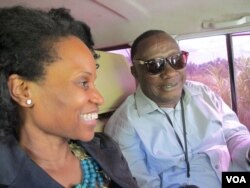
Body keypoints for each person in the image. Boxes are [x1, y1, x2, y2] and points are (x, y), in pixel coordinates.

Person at [0, 6, 138, 188]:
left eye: (93, 82)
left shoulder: (106, 148)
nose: (98, 98)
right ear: (23, 90)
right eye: (83, 83)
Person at [104, 30, 250, 188]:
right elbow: (144, 184)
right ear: (135, 73)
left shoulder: (203, 93)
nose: (170, 72)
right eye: (155, 65)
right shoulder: (124, 126)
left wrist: (247, 150)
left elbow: (234, 133)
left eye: (176, 60)